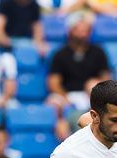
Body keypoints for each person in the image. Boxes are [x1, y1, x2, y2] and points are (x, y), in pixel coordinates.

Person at [47, 11, 110, 140]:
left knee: (94, 85)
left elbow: (105, 78)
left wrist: (94, 90)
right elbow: (53, 82)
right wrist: (65, 98)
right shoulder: (60, 54)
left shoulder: (98, 52)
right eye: (78, 28)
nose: (82, 32)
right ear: (70, 30)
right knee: (53, 101)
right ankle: (62, 128)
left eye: (86, 29)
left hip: (91, 95)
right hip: (67, 95)